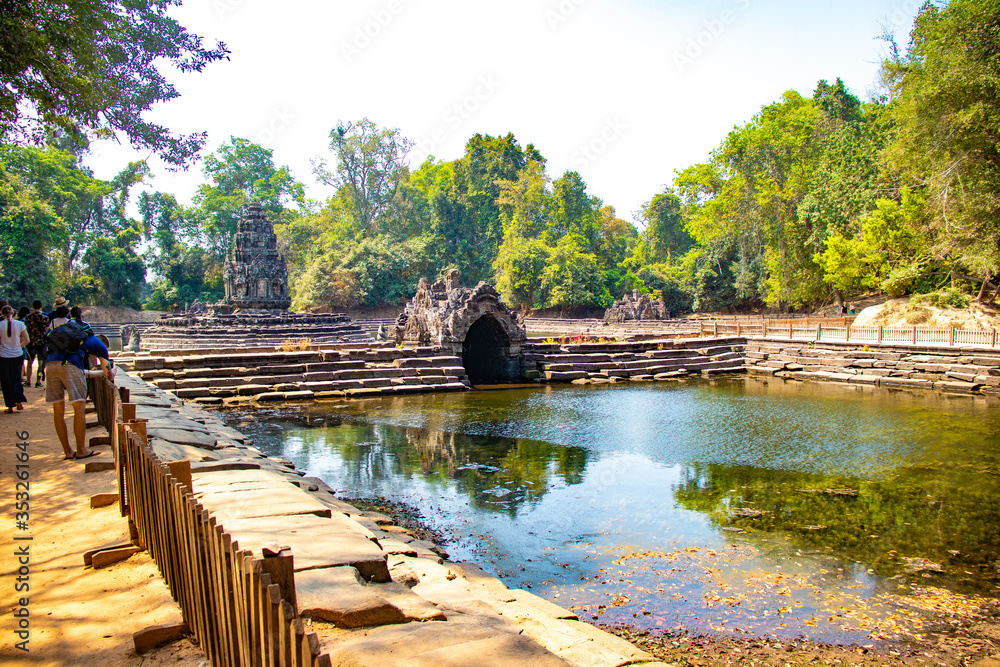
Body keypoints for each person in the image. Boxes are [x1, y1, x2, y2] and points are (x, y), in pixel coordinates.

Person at [45, 320, 111, 460]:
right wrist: (109, 373)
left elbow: (80, 372)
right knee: (79, 406)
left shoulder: (76, 341)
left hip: (50, 365)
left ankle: (68, 451)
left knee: (57, 409)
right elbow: (107, 371)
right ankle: (81, 450)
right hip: (68, 366)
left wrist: (99, 373)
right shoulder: (100, 346)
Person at [0, 305, 29, 413]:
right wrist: (19, 346)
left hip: (4, 356)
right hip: (17, 355)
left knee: (6, 380)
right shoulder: (20, 324)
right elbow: (27, 340)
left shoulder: (0, 325)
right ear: (13, 313)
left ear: (2, 314)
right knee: (17, 377)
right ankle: (19, 401)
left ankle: (10, 406)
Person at [23, 300, 49, 387]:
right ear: (41, 306)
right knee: (40, 363)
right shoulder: (45, 317)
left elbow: (26, 328)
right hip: (41, 343)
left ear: (33, 307)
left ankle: (28, 381)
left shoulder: (28, 317)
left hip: (30, 342)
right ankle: (38, 382)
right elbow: (46, 329)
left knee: (29, 362)